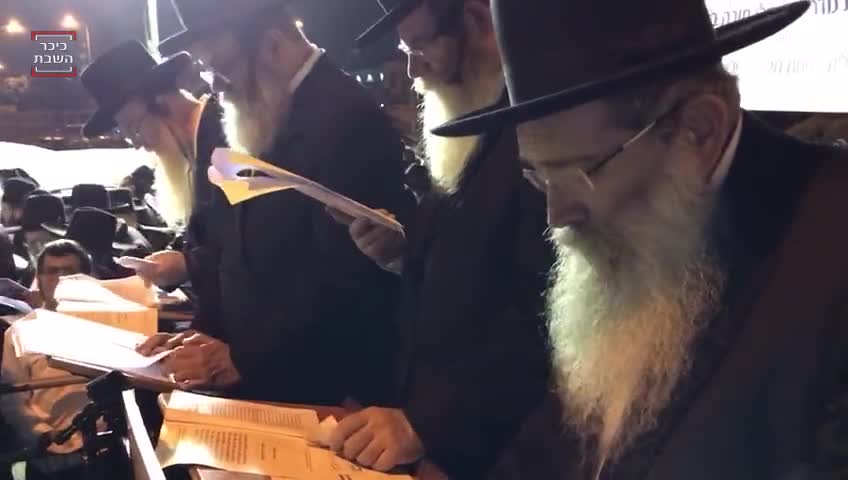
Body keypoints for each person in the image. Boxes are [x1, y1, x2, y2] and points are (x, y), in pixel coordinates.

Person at [432, 0, 848, 478]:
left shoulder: (828, 250)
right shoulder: (636, 230)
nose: (556, 215)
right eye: (538, 176)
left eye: (579, 172)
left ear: (700, 130)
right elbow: (571, 442)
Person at [137, 0, 414, 407]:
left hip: (318, 387)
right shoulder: (260, 107)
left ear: (271, 46)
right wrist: (207, 332)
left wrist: (244, 357)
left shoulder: (345, 118)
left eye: (221, 69)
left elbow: (344, 278)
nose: (215, 88)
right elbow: (234, 243)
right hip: (258, 372)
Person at [324, 0, 553, 476]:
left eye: (421, 46)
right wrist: (400, 253)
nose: (411, 68)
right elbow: (466, 266)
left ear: (477, 21)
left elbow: (538, 315)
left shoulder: (541, 131)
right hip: (425, 441)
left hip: (488, 450)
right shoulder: (468, 115)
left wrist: (426, 424)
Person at [81, 40, 228, 336]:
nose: (138, 144)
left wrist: (188, 265)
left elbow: (259, 246)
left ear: (160, 102)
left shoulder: (227, 141)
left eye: (133, 128)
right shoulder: (194, 155)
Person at [0, 240, 93, 479]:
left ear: (88, 278)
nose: (60, 279)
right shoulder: (20, 332)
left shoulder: (113, 326)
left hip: (104, 445)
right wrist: (42, 433)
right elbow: (13, 399)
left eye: (69, 272)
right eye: (52, 272)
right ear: (39, 279)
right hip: (47, 452)